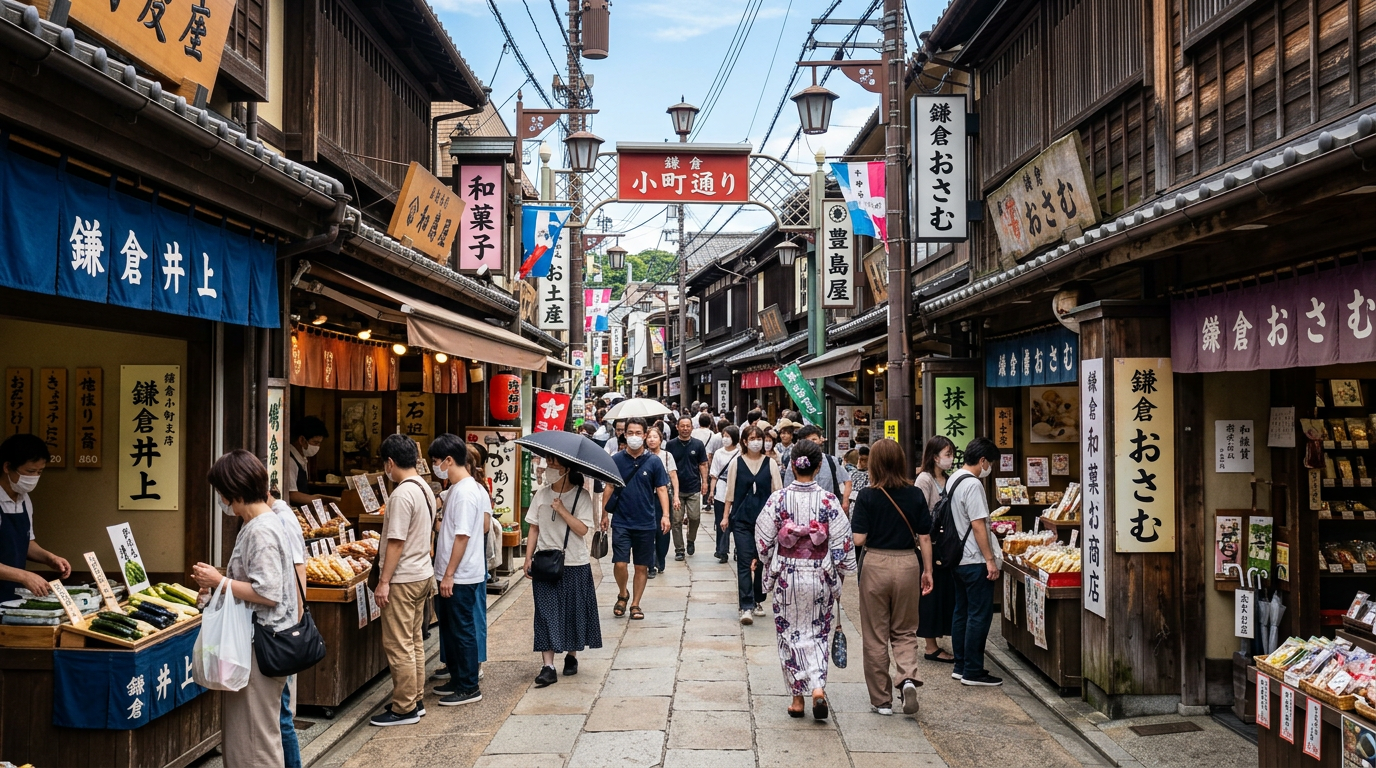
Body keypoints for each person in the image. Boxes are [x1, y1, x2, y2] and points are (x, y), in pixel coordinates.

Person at [190, 450, 297, 767]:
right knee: (251, 736)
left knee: (253, 742)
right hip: (258, 643)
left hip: (258, 646)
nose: (222, 501)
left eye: (222, 494)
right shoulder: (263, 521)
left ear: (232, 492)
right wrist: (217, 586)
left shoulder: (261, 529)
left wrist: (219, 581)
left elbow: (267, 592)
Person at [755, 439, 856, 720]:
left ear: (790, 466)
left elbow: (763, 538)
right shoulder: (828, 500)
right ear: (819, 466)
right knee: (818, 633)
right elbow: (842, 544)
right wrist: (841, 574)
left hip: (788, 572)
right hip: (819, 574)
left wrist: (767, 561)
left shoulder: (779, 499)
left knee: (789, 634)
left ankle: (797, 698)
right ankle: (818, 688)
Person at [851, 439, 933, 716]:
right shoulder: (914, 494)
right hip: (908, 563)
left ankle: (881, 701)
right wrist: (928, 570)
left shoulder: (867, 496)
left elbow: (859, 538)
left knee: (875, 635)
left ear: (873, 463)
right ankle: (907, 677)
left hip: (875, 563)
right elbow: (924, 536)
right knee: (905, 630)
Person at [368, 435, 439, 725]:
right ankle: (415, 698)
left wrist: (383, 581)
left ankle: (404, 707)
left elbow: (395, 542)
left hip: (403, 578)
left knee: (398, 645)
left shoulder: (400, 494)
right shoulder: (424, 486)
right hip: (422, 573)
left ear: (390, 462)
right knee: (413, 641)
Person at [524, 455, 601, 686]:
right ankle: (548, 666)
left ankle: (571, 655)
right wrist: (528, 558)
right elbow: (534, 528)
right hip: (546, 563)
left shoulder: (582, 495)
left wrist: (563, 510)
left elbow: (582, 529)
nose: (549, 468)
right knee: (545, 614)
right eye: (548, 464)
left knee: (571, 612)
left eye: (554, 464)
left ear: (567, 469)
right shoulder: (541, 494)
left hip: (574, 564)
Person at [428, 435, 489, 707]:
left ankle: (468, 685)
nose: (434, 466)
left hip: (461, 574)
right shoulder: (458, 488)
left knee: (462, 629)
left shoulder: (465, 492)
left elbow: (462, 536)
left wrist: (449, 573)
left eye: (435, 461)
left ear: (449, 460)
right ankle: (457, 677)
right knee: (453, 628)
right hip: (455, 573)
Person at [947, 437, 1004, 687]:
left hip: (957, 559)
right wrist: (990, 560)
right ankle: (973, 670)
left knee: (961, 612)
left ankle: (961, 665)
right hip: (974, 559)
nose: (989, 468)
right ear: (982, 461)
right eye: (989, 463)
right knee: (979, 616)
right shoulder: (973, 485)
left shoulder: (953, 479)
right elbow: (978, 524)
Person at [602, 417, 671, 620]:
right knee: (620, 563)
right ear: (624, 434)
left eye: (638, 433)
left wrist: (665, 515)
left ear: (645, 435)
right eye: (630, 433)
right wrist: (604, 514)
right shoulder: (616, 460)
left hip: (646, 521)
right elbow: (609, 487)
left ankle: (635, 604)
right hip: (622, 520)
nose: (634, 437)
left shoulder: (654, 461)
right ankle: (623, 593)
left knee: (642, 566)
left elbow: (661, 488)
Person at [0, 435, 71, 601]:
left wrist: (50, 558)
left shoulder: (24, 499)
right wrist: (24, 576)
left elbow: (26, 543)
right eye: (30, 471)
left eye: (39, 472)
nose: (34, 477)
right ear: (7, 467)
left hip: (11, 595)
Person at [721, 425, 780, 624]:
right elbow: (730, 492)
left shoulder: (770, 463)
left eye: (759, 438)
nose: (756, 441)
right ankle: (746, 605)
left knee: (762, 561)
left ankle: (758, 599)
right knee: (745, 562)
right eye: (752, 438)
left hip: (765, 523)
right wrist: (725, 516)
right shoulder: (736, 463)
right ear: (744, 442)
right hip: (742, 520)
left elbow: (777, 492)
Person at [267, 491, 308, 767]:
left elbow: (298, 569)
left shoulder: (281, 518)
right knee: (280, 711)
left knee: (282, 714)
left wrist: (298, 618)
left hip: (281, 628)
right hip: (283, 626)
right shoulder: (275, 517)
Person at [915, 436, 958, 662]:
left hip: (946, 546)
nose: (950, 458)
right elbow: (920, 514)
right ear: (934, 457)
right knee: (930, 595)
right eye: (947, 454)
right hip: (929, 545)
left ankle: (938, 641)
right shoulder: (925, 479)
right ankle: (930, 646)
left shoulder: (949, 479)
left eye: (951, 454)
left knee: (944, 593)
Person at [781, 426, 852, 515]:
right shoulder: (794, 462)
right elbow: (787, 487)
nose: (811, 443)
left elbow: (847, 480)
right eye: (807, 440)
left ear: (820, 440)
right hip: (800, 511)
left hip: (828, 510)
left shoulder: (831, 461)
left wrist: (845, 501)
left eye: (814, 439)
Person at [667, 416, 708, 561]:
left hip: (693, 487)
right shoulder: (671, 445)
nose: (685, 428)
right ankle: (679, 549)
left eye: (688, 426)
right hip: (676, 490)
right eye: (682, 426)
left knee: (695, 517)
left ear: (692, 427)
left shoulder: (698, 444)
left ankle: (691, 539)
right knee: (676, 521)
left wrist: (705, 482)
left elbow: (703, 464)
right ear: (677, 427)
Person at [645, 426, 679, 577]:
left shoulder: (666, 456)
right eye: (649, 437)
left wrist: (676, 496)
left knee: (663, 530)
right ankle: (650, 564)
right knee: (648, 531)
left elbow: (673, 476)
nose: (652, 440)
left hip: (664, 497)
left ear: (660, 439)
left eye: (655, 437)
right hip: (646, 497)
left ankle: (660, 558)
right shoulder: (643, 456)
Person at [707, 425, 741, 563]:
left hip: (737, 489)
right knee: (721, 520)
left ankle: (738, 548)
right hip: (721, 489)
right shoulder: (719, 453)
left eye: (728, 436)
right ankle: (721, 550)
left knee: (736, 522)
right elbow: (714, 474)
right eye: (724, 436)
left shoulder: (740, 453)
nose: (725, 439)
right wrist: (711, 491)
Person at [285, 416, 335, 506]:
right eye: (315, 443)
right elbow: (292, 494)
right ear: (302, 440)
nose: (318, 447)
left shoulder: (302, 458)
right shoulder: (290, 461)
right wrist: (321, 501)